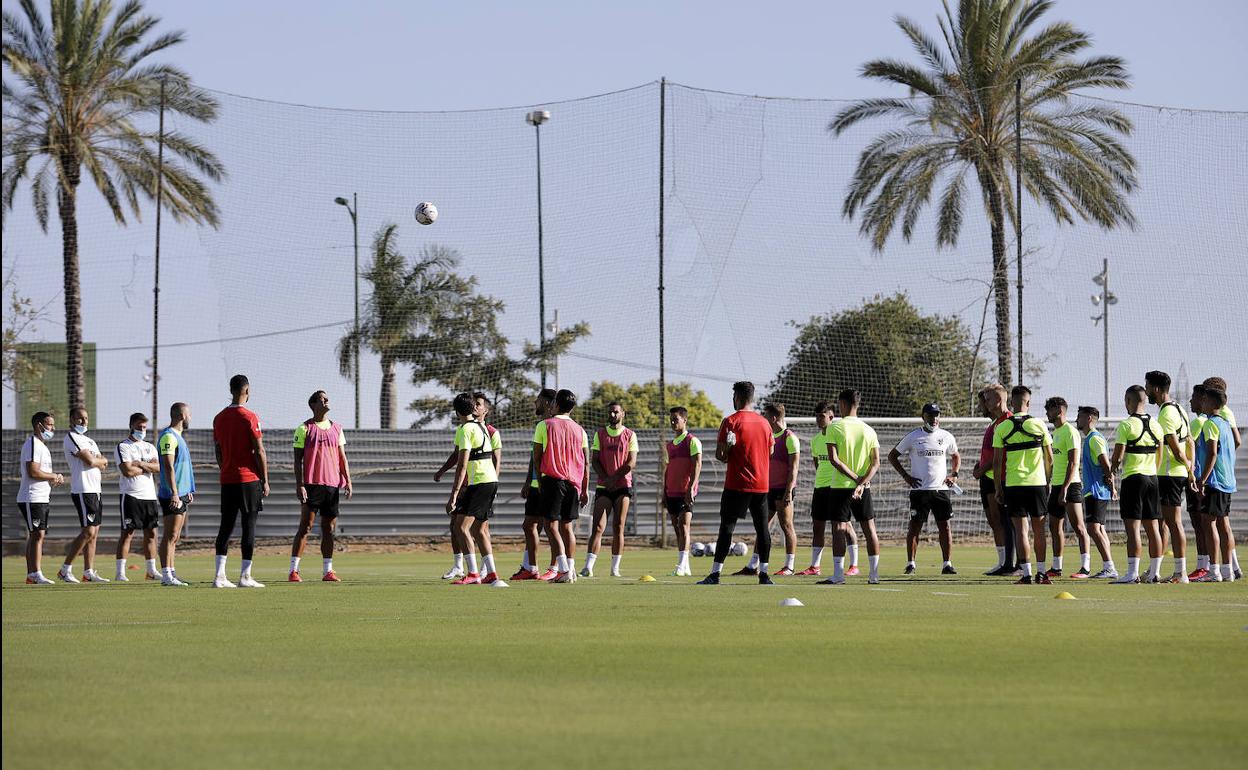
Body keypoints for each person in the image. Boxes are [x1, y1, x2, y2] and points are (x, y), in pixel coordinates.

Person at [698, 381, 775, 585]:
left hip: (737, 484)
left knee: (727, 528)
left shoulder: (730, 421)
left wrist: (731, 449)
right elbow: (771, 451)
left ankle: (715, 574)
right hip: (761, 485)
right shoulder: (765, 423)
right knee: (762, 529)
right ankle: (764, 574)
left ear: (737, 398)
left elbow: (720, 456)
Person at [817, 389, 882, 585]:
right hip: (863, 487)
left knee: (838, 528)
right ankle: (874, 575)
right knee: (869, 528)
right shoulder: (868, 430)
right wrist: (861, 483)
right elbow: (876, 462)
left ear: (842, 404)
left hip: (840, 486)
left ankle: (838, 575)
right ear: (858, 404)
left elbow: (834, 460)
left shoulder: (834, 428)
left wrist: (854, 480)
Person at [212, 374, 270, 588]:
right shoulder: (250, 417)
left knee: (225, 526)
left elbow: (218, 450)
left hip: (227, 479)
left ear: (231, 390)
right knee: (249, 526)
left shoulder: (218, 418)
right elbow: (259, 450)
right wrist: (265, 479)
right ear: (247, 390)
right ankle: (245, 576)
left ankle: (219, 576)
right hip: (248, 479)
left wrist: (224, 468)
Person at [993, 385, 1054, 585]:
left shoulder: (1002, 427)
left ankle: (1027, 574)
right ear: (1029, 402)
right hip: (1037, 484)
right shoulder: (1039, 425)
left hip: (1014, 484)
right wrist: (1048, 481)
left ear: (1012, 403)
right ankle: (1042, 573)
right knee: (1039, 530)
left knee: (1021, 530)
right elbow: (1050, 459)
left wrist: (998, 488)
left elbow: (997, 463)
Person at [434, 392, 499, 580]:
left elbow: (462, 465)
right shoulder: (482, 427)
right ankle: (491, 574)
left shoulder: (464, 430)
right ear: (473, 409)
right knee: (479, 530)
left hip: (478, 482)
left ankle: (472, 573)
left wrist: (453, 495)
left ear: (456, 412)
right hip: (490, 480)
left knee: (461, 527)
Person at [889, 403, 960, 575]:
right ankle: (911, 564)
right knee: (915, 527)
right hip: (920, 491)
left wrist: (954, 474)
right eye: (930, 415)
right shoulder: (913, 436)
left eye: (937, 415)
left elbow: (955, 455)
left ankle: (947, 564)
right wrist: (906, 476)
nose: (934, 419)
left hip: (941, 490)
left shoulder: (946, 436)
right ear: (923, 417)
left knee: (945, 527)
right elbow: (892, 456)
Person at [290, 391, 353, 583]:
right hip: (311, 485)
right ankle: (293, 571)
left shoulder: (337, 428)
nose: (326, 401)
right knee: (306, 527)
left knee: (329, 529)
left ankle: (328, 571)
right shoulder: (304, 428)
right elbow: (297, 460)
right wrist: (300, 485)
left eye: (327, 398)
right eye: (322, 399)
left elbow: (342, 457)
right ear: (313, 405)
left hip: (332, 485)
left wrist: (348, 480)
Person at [532, 389, 590, 583]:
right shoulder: (580, 430)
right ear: (572, 408)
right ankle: (571, 570)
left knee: (551, 525)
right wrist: (584, 488)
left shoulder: (544, 425)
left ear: (555, 404)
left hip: (553, 480)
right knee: (567, 527)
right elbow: (586, 461)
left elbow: (537, 457)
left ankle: (564, 568)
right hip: (574, 483)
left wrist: (540, 482)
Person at [1107, 385, 1163, 584]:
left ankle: (1132, 574)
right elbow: (1160, 453)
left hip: (1133, 479)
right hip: (1152, 478)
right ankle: (1155, 572)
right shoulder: (1156, 425)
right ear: (1145, 401)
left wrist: (1112, 470)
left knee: (1133, 529)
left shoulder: (1126, 425)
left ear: (1127, 401)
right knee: (1153, 528)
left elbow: (1118, 455)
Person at [737, 403, 799, 576]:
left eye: (765, 416)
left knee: (787, 525)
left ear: (773, 418)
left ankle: (789, 566)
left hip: (783, 489)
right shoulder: (767, 437)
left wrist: (788, 491)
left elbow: (794, 468)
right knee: (762, 527)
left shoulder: (789, 437)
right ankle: (752, 566)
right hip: (767, 489)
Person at [1145, 370, 1194, 582]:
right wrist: (1190, 467)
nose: (1146, 391)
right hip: (1177, 473)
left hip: (1169, 474)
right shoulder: (1180, 409)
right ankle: (1154, 570)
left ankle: (1180, 572)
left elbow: (1175, 448)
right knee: (1165, 523)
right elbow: (1190, 441)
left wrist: (1188, 468)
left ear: (1156, 389)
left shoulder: (1166, 413)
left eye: (1147, 387)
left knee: (1173, 523)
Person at [583, 402, 638, 578]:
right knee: (598, 526)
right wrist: (606, 480)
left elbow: (631, 462)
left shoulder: (630, 435)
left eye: (616, 412)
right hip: (603, 486)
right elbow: (595, 460)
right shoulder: (600, 434)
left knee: (618, 527)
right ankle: (588, 567)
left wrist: (614, 479)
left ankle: (615, 568)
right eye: (610, 412)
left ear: (623, 414)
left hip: (622, 486)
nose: (613, 415)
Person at [58, 407, 109, 583]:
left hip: (96, 490)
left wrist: (99, 460)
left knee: (94, 533)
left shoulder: (90, 441)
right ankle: (65, 569)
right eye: (80, 419)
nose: (84, 422)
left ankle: (88, 572)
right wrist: (98, 460)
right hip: (83, 489)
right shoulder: (72, 438)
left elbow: (103, 463)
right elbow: (91, 461)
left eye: (86, 418)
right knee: (88, 531)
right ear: (72, 419)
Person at [1043, 397, 1091, 578]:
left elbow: (1073, 463)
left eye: (1049, 409)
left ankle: (1085, 568)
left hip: (1071, 486)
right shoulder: (1056, 433)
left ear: (1059, 411)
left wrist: (1065, 487)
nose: (1047, 412)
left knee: (1079, 527)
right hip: (1056, 486)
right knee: (1055, 527)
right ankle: (1056, 567)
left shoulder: (1071, 432)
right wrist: (1051, 484)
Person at [512, 388, 558, 581]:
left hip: (550, 482)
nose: (535, 403)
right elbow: (535, 457)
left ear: (547, 403)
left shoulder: (555, 425)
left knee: (552, 526)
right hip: (535, 484)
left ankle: (557, 567)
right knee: (530, 525)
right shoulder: (541, 425)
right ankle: (530, 567)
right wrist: (527, 482)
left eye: (538, 400)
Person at [1195, 386, 1238, 582]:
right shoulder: (1226, 425)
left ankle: (1214, 571)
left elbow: (1212, 453)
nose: (1201, 403)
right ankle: (1227, 570)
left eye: (1204, 400)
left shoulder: (1210, 424)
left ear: (1212, 403)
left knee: (1208, 523)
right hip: (1228, 480)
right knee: (1224, 524)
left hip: (1215, 481)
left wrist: (1202, 479)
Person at [17, 411, 65, 584]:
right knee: (38, 534)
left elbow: (40, 473)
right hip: (31, 497)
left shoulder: (42, 446)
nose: (53, 428)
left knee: (37, 535)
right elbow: (33, 471)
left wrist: (53, 478)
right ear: (39, 425)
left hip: (41, 497)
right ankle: (35, 573)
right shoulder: (32, 444)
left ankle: (32, 575)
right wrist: (53, 476)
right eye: (50, 424)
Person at [114, 412, 162, 582]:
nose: (142, 430)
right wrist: (148, 467)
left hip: (149, 496)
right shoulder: (123, 446)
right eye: (139, 427)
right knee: (128, 533)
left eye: (144, 427)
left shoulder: (150, 447)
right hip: (131, 495)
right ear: (131, 426)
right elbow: (127, 471)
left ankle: (151, 571)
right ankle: (120, 573)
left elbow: (159, 468)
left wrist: (141, 464)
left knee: (151, 534)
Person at [975, 385, 1017, 576]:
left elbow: (1000, 455)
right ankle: (1004, 562)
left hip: (999, 479)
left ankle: (1012, 563)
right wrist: (980, 466)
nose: (984, 405)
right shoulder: (994, 424)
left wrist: (983, 469)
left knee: (1006, 522)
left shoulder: (1007, 421)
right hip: (989, 477)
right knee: (995, 522)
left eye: (987, 400)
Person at [156, 402, 196, 586]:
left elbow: (183, 469)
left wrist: (188, 490)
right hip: (172, 494)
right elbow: (168, 466)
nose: (190, 418)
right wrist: (174, 493)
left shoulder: (179, 437)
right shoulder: (168, 437)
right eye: (189, 414)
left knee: (175, 537)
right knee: (170, 535)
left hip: (182, 493)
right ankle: (166, 575)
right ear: (181, 416)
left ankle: (171, 573)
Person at [1075, 406, 1118, 578]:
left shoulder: (1094, 439)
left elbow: (1105, 463)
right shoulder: (1091, 439)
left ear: (1089, 419)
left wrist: (1112, 484)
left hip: (1097, 490)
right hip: (1094, 490)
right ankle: (1109, 566)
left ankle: (1109, 567)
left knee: (1093, 529)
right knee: (1099, 529)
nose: (1077, 419)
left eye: (1080, 417)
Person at [798, 401, 837, 576]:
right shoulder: (815, 440)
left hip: (837, 487)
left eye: (822, 416)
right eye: (817, 416)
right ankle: (815, 566)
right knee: (818, 526)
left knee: (844, 527)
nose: (818, 419)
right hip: (819, 487)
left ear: (831, 416)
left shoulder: (838, 436)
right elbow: (818, 464)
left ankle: (854, 564)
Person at [665, 406, 703, 577]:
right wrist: (664, 491)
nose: (673, 422)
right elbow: (669, 468)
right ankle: (685, 565)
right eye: (671, 419)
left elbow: (697, 465)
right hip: (671, 491)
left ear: (684, 420)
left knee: (684, 525)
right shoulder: (670, 445)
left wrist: (691, 489)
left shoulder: (692, 441)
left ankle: (680, 566)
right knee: (677, 528)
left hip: (685, 492)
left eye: (676, 419)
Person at [1202, 376, 1241, 450]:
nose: (1203, 395)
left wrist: (1221, 455)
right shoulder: (1209, 411)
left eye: (1206, 391)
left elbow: (1237, 441)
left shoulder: (1225, 412)